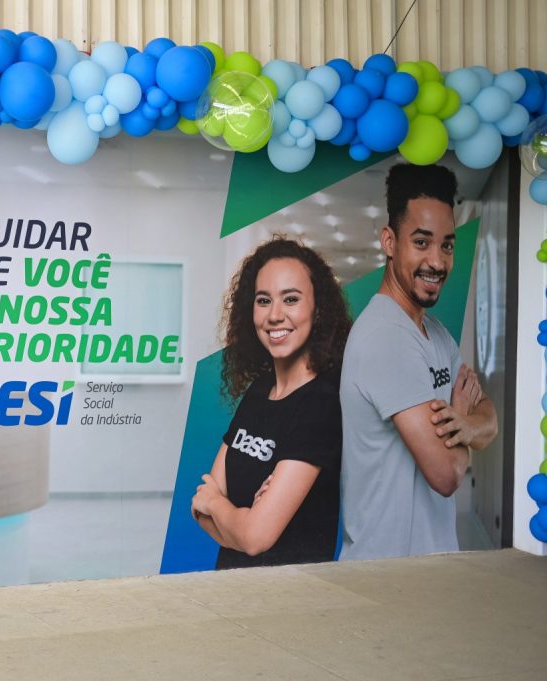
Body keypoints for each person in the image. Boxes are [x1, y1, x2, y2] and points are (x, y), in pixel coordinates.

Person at [340, 163, 498, 560]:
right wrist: (465, 426)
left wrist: (464, 422)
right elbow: (445, 475)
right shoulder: (385, 338)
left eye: (447, 245)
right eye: (422, 242)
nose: (438, 262)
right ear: (390, 242)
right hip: (387, 575)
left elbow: (490, 418)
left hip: (429, 568)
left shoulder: (436, 333)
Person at [191, 236, 352, 568]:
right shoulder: (259, 391)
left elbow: (254, 538)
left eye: (290, 299)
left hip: (288, 605)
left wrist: (220, 506)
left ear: (317, 309)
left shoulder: (322, 404)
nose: (275, 315)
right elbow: (199, 511)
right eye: (263, 300)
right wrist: (242, 517)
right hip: (231, 591)